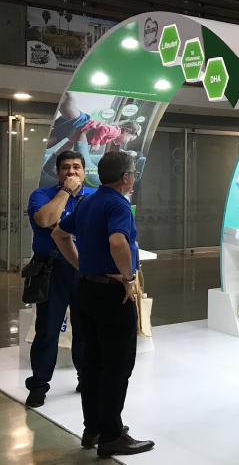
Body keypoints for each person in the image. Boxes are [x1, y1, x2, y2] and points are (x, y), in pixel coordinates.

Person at [51, 151, 153, 457]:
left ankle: (93, 428)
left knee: (93, 363)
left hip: (86, 290)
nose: (133, 178)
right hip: (112, 296)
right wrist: (129, 278)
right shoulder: (118, 204)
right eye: (133, 174)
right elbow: (118, 241)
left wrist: (81, 265)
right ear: (126, 177)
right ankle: (111, 435)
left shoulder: (87, 201)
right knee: (118, 365)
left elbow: (59, 234)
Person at [24, 150, 96, 408]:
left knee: (86, 328)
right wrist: (65, 191)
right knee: (47, 330)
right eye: (65, 167)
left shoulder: (95, 197)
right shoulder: (42, 195)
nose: (71, 171)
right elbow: (45, 219)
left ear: (85, 172)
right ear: (57, 173)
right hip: (52, 269)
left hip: (86, 270)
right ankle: (39, 386)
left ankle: (86, 379)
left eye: (76, 167)